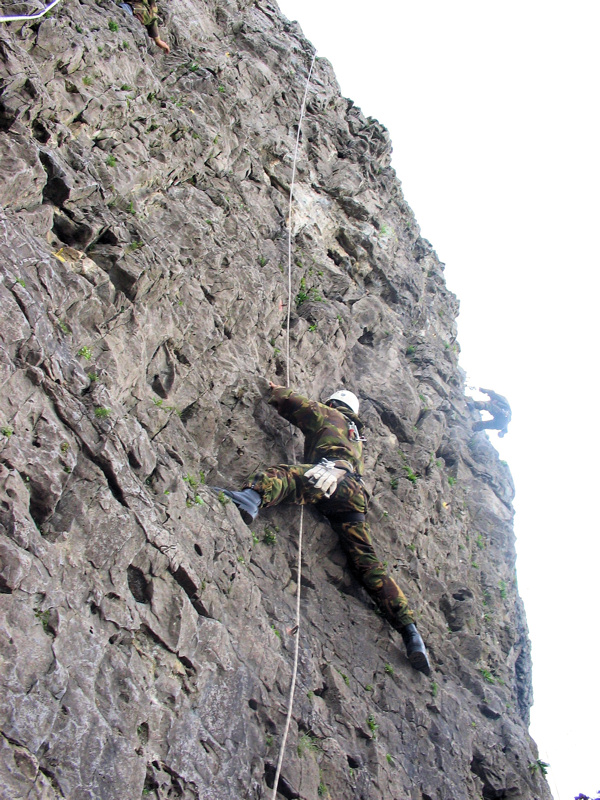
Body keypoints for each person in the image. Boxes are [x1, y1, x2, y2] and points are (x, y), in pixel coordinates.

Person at [215, 383, 431, 675]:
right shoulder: (357, 436)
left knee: (286, 476)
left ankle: (250, 499)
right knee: (368, 564)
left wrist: (272, 388)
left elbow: (289, 401)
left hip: (329, 476)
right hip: (353, 495)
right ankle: (411, 633)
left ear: (333, 402)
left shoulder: (330, 414)